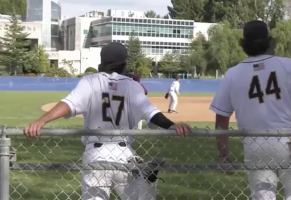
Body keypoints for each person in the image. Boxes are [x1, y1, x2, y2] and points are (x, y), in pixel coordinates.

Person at [24, 42, 191, 200]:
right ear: (125, 63)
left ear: (102, 62)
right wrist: (172, 125)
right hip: (124, 153)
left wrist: (42, 121)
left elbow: (68, 104)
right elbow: (153, 114)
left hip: (96, 154)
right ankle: (148, 181)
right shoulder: (133, 86)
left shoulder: (90, 82)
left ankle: (147, 180)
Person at [209, 20, 291, 200]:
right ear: (269, 41)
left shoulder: (233, 74)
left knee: (262, 196)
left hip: (254, 143)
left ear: (244, 43)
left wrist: (223, 154)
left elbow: (221, 119)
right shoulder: (287, 65)